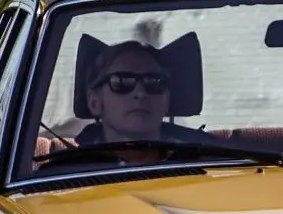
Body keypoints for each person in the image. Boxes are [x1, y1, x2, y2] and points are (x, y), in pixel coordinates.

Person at [33, 39, 210, 167]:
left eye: (154, 82)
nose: (140, 93)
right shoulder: (61, 177)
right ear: (94, 101)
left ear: (168, 100)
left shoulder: (210, 162)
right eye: (121, 82)